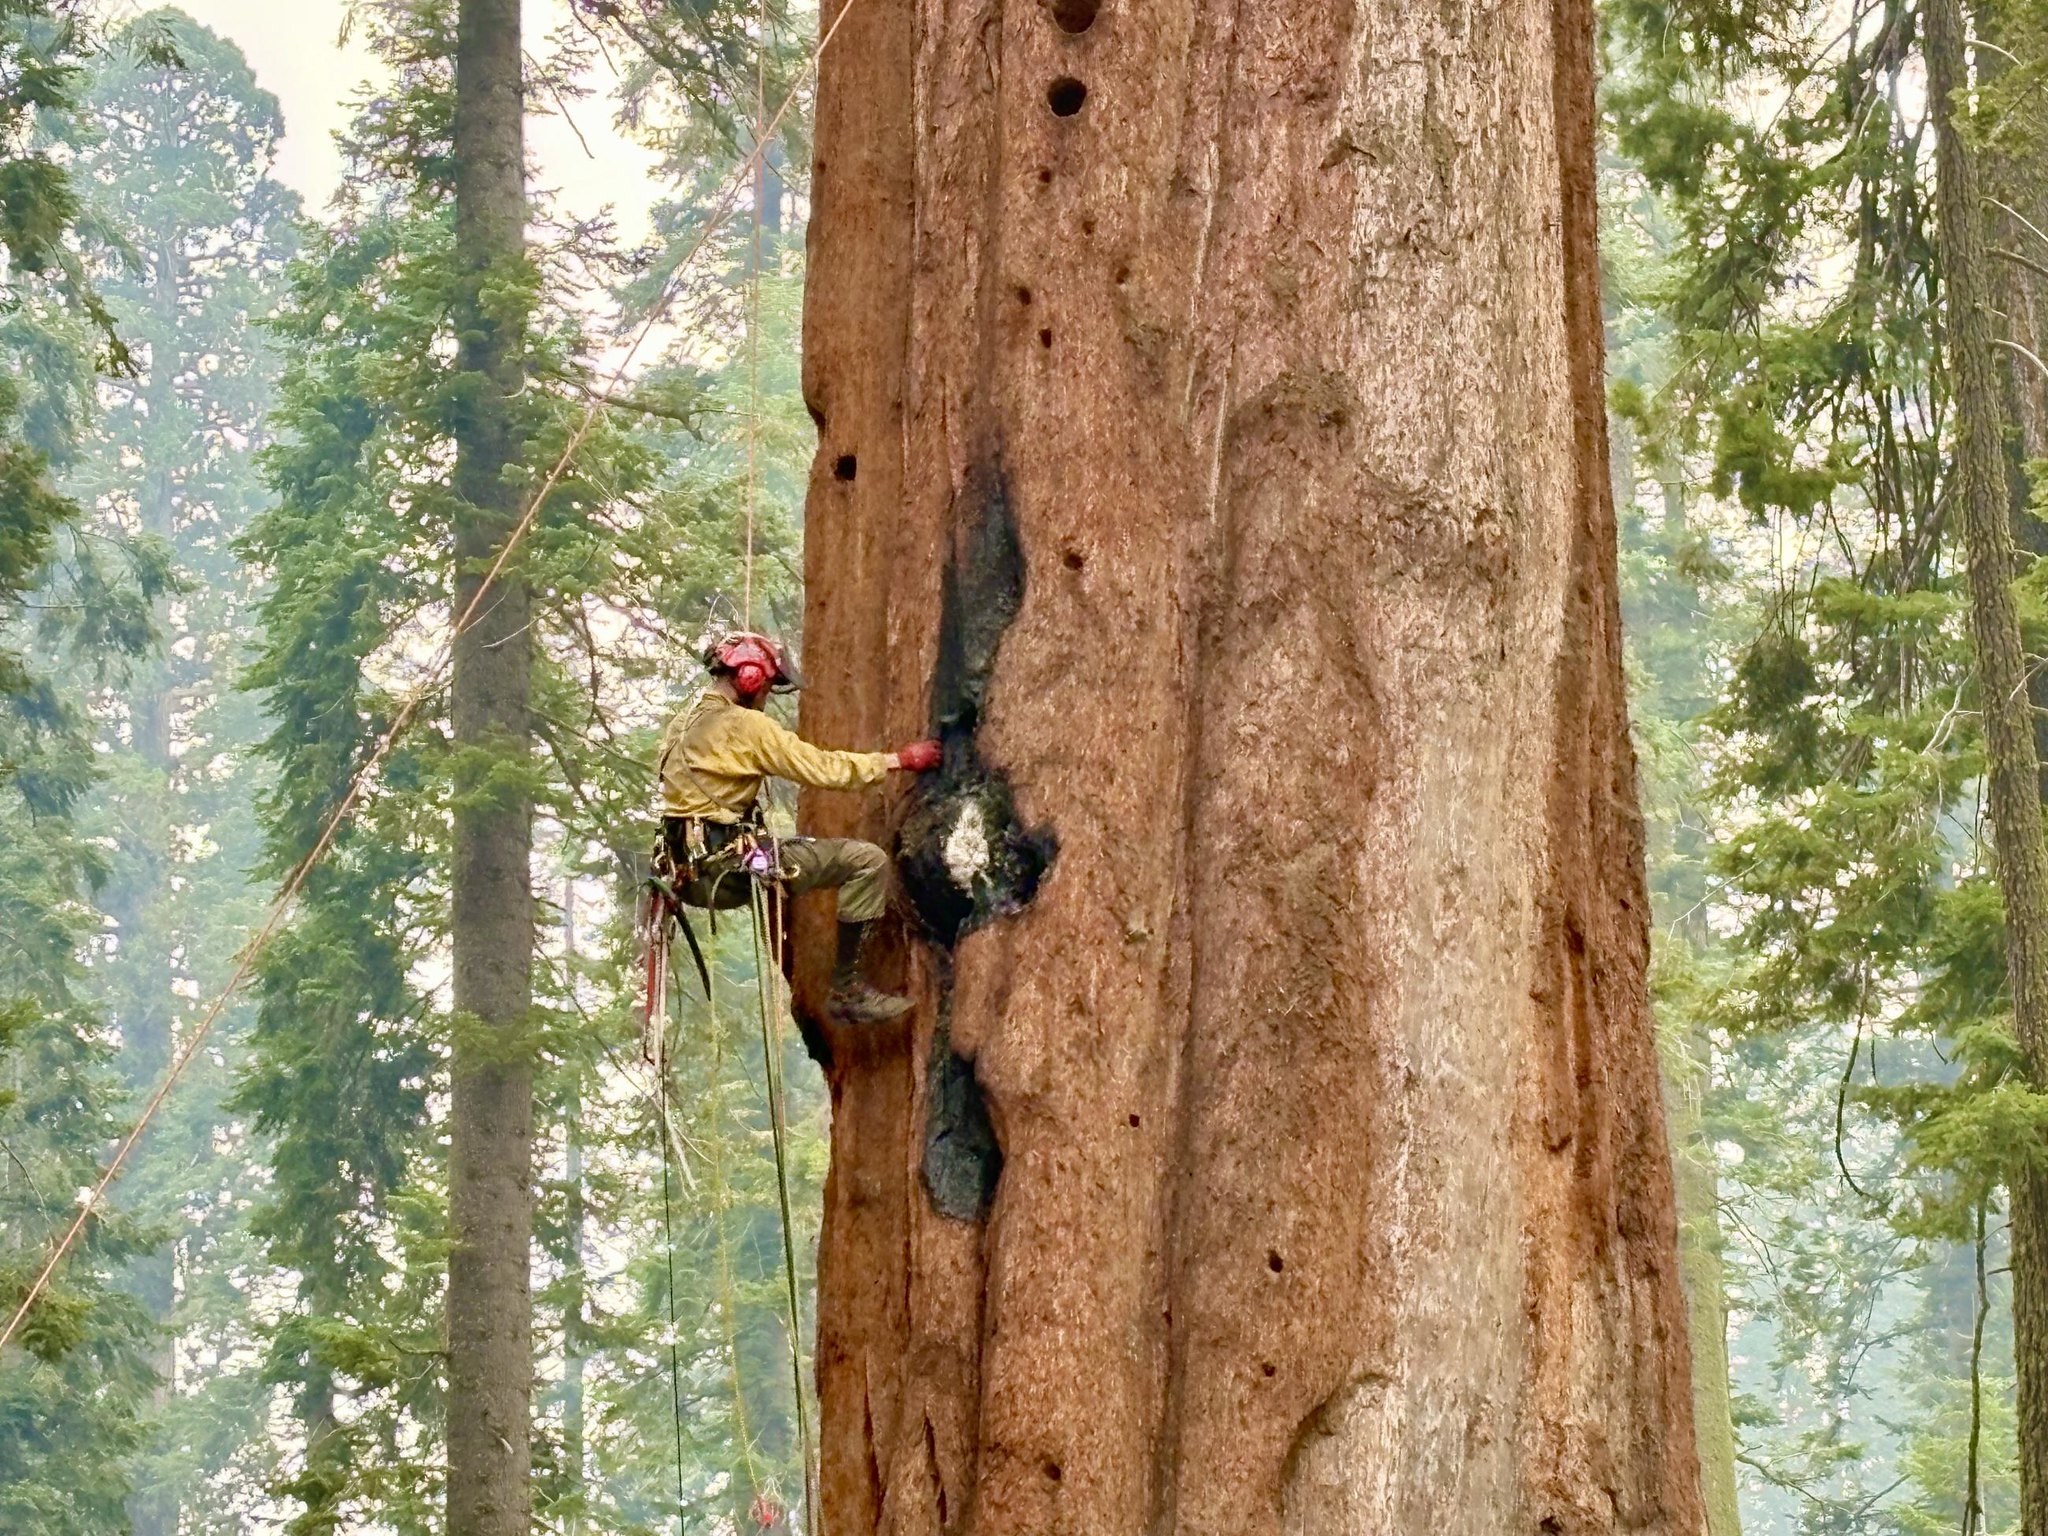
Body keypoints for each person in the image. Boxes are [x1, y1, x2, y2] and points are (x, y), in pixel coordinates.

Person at [656, 630, 941, 1024]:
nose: (766, 696)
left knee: (789, 855)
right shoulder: (746, 726)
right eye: (768, 686)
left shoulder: (681, 724)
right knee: (868, 861)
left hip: (686, 875)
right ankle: (847, 990)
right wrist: (898, 760)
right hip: (729, 871)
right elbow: (822, 769)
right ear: (750, 677)